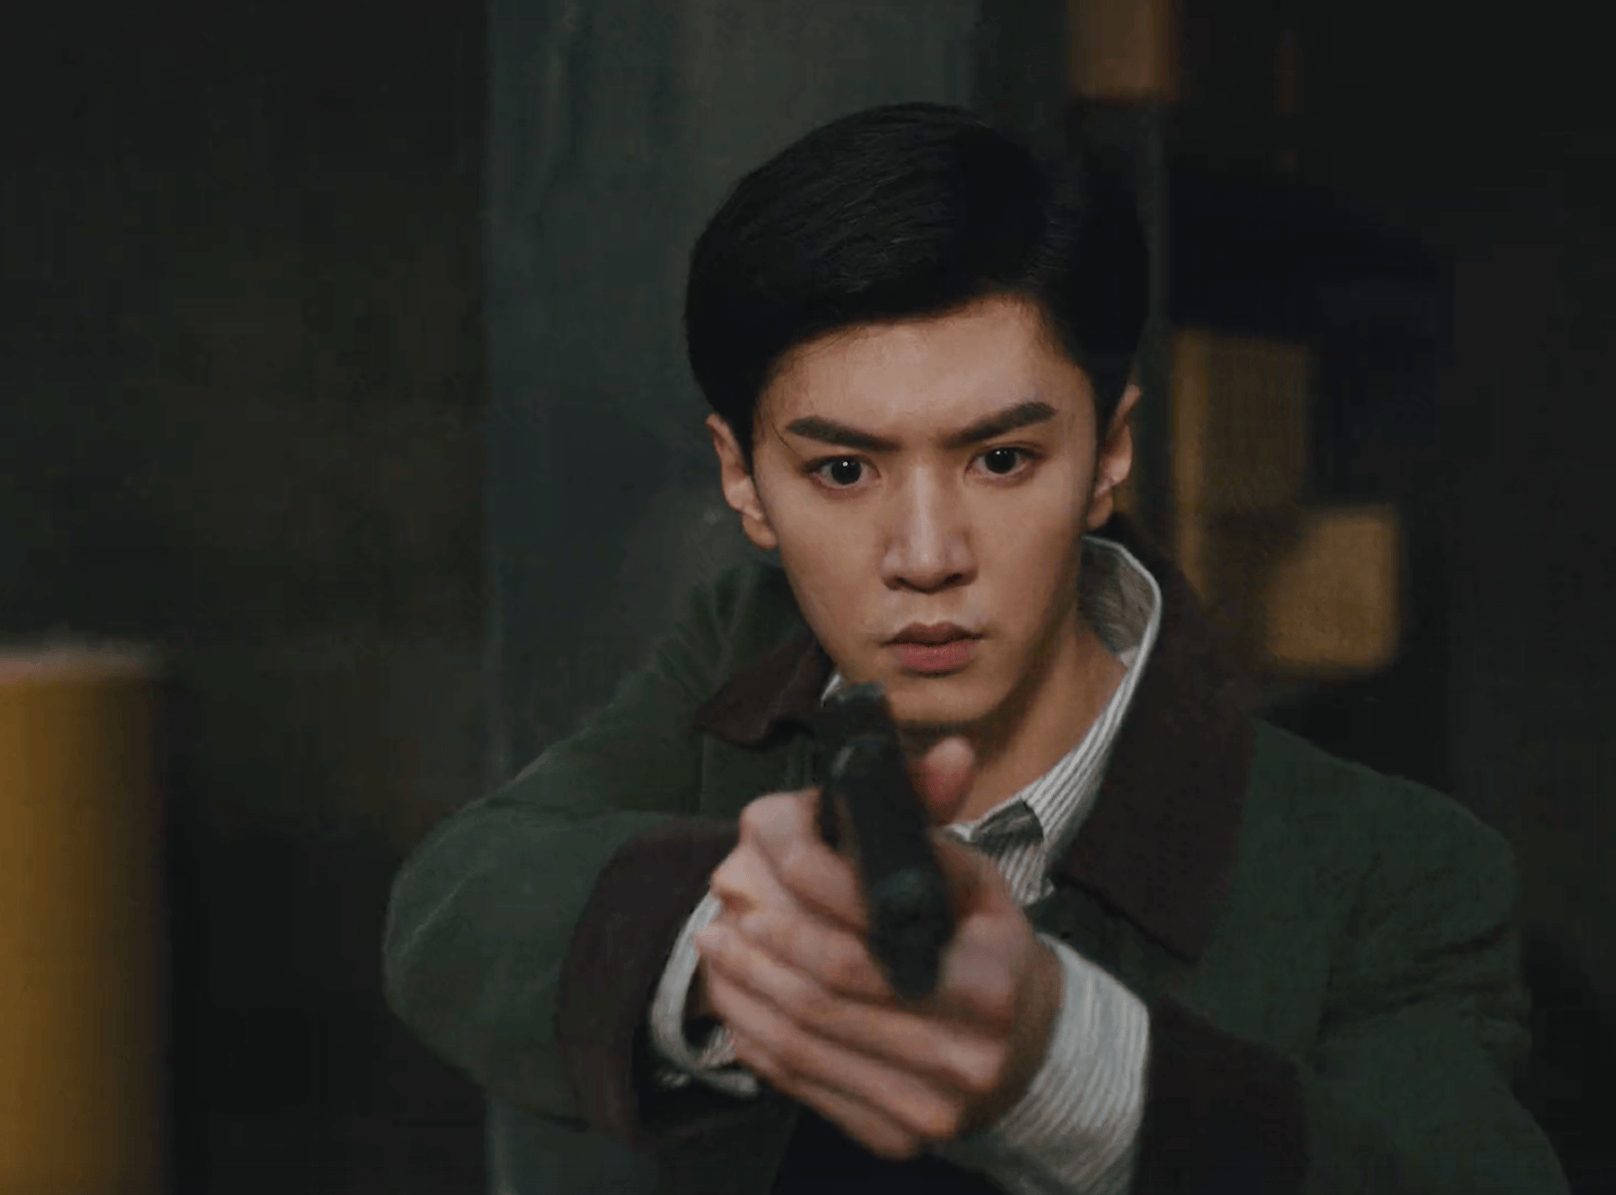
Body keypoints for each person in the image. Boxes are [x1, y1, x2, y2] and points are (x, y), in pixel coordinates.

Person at [383, 103, 1567, 1193]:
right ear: (741, 479)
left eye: (1000, 459)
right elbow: (459, 903)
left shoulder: (1392, 872)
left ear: (1107, 455)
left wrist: (1061, 1061)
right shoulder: (747, 649)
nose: (925, 555)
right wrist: (752, 957)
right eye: (841, 470)